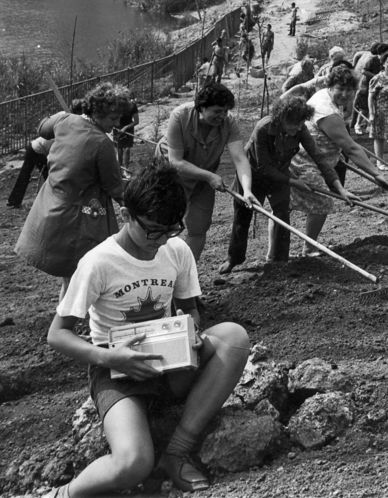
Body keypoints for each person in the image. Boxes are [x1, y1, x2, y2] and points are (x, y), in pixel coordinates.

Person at [46, 160, 250, 497]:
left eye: (172, 229)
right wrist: (111, 359)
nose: (161, 239)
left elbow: (189, 309)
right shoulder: (99, 262)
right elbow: (58, 334)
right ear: (126, 215)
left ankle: (176, 453)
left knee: (234, 338)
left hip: (168, 361)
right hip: (117, 372)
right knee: (133, 464)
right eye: (153, 229)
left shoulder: (176, 250)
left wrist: (191, 335)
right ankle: (61, 494)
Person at [14, 83, 129, 296]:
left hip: (51, 204)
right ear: (97, 113)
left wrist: (60, 118)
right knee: (80, 270)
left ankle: (68, 315)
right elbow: (114, 187)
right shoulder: (103, 143)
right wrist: (128, 204)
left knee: (70, 275)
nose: (117, 124)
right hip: (78, 216)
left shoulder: (65, 120)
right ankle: (68, 319)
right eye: (113, 119)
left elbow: (42, 129)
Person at [219, 96, 354, 274]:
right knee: (243, 216)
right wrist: (294, 182)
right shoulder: (264, 128)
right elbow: (264, 166)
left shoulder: (300, 128)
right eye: (295, 124)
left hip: (280, 173)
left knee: (282, 215)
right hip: (253, 174)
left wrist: (340, 189)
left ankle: (278, 263)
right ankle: (233, 259)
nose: (299, 128)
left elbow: (318, 158)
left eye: (301, 124)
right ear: (282, 118)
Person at [289, 66, 388, 255]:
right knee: (321, 202)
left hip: (323, 160)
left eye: (349, 90)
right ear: (330, 86)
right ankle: (308, 248)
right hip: (306, 160)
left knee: (293, 204)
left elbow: (347, 141)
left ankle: (293, 250)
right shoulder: (326, 109)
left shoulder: (329, 98)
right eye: (340, 88)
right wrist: (376, 174)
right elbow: (350, 148)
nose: (344, 94)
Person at [156, 83, 256, 261]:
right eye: (217, 111)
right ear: (202, 107)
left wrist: (247, 190)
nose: (222, 116)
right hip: (172, 175)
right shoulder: (180, 116)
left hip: (203, 180)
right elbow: (175, 161)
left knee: (199, 225)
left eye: (226, 111)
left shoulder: (229, 121)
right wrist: (210, 176)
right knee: (164, 225)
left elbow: (240, 158)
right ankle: (157, 272)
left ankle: (186, 274)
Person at [6, 135, 52, 208]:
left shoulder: (59, 134)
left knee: (25, 174)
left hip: (32, 147)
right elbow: (51, 157)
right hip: (36, 150)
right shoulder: (60, 139)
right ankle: (49, 201)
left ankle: (14, 200)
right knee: (50, 177)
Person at [113, 97, 139, 169]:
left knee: (127, 149)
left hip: (129, 128)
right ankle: (119, 169)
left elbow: (136, 121)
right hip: (117, 127)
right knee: (119, 149)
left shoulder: (133, 106)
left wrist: (125, 128)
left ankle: (126, 169)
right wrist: (115, 126)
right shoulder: (116, 104)